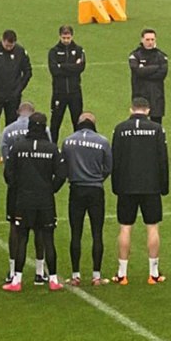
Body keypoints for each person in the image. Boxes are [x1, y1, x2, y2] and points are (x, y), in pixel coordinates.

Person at [3, 112, 67, 292]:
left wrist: (18, 187)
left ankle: (17, 280)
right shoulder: (52, 148)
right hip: (45, 201)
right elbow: (62, 173)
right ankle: (53, 279)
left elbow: (8, 174)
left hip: (24, 200)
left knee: (22, 238)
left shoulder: (18, 147)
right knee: (48, 238)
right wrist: (51, 188)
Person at [110, 97, 169, 285]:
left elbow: (115, 160)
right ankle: (153, 273)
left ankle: (122, 273)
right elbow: (163, 160)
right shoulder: (157, 129)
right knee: (152, 226)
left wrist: (116, 185)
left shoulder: (120, 129)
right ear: (148, 110)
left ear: (131, 109)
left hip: (126, 185)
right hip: (151, 185)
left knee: (125, 227)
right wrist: (164, 186)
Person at [0, 101, 49, 282]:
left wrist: (14, 183)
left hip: (17, 189)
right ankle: (39, 271)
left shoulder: (8, 130)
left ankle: (12, 271)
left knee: (15, 227)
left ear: (18, 111)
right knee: (40, 228)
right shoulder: (45, 130)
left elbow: (6, 160)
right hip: (40, 188)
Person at [61, 112, 112, 287]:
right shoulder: (102, 141)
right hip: (96, 190)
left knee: (76, 233)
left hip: (76, 189)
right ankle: (96, 276)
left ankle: (75, 275)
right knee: (97, 233)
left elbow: (64, 166)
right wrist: (97, 178)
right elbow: (108, 167)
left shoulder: (68, 141)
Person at [0, 29, 33, 149]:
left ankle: (11, 150)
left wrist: (19, 89)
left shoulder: (20, 52)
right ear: (2, 40)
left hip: (13, 96)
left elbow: (28, 71)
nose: (9, 48)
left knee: (12, 124)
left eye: (11, 45)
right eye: (7, 45)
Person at [47, 25, 85, 144]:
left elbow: (81, 68)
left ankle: (78, 145)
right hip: (59, 93)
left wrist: (62, 66)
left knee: (78, 122)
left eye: (68, 37)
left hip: (75, 92)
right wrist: (72, 66)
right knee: (55, 123)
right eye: (64, 37)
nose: (66, 40)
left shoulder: (79, 50)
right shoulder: (53, 51)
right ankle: (53, 147)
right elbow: (54, 70)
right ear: (60, 36)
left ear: (72, 36)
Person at [128, 29, 168, 125]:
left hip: (156, 95)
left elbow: (162, 74)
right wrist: (155, 67)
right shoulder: (135, 55)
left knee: (157, 124)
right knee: (139, 124)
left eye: (152, 39)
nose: (150, 42)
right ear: (142, 40)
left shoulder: (161, 56)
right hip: (139, 94)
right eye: (147, 39)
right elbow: (137, 71)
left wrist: (144, 71)